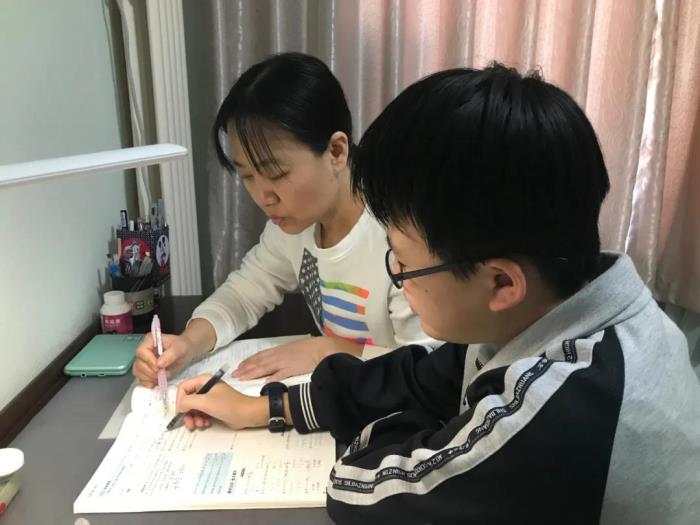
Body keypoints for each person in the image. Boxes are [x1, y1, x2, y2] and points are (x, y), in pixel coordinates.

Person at [174, 63, 700, 524]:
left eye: (403, 263)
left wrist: (411, 425)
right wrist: (267, 407)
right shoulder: (552, 303)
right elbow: (421, 378)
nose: (397, 275)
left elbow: (357, 489)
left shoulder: (561, 405)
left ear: (501, 283)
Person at [132, 52, 436, 388]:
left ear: (336, 152)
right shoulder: (295, 224)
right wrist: (187, 344)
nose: (263, 197)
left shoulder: (401, 236)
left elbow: (431, 367)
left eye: (276, 172)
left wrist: (327, 351)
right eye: (247, 176)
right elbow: (244, 294)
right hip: (344, 395)